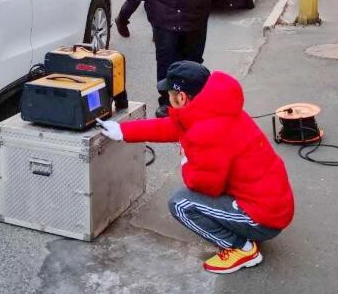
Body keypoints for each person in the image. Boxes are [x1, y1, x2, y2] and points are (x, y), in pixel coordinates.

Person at [98, 61, 294, 274]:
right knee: (188, 199)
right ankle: (244, 230)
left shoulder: (206, 132)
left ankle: (242, 248)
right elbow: (171, 127)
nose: (168, 100)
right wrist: (123, 131)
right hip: (273, 204)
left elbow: (204, 186)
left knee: (181, 204)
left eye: (169, 95)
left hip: (265, 218)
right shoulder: (217, 110)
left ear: (181, 97)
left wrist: (186, 160)